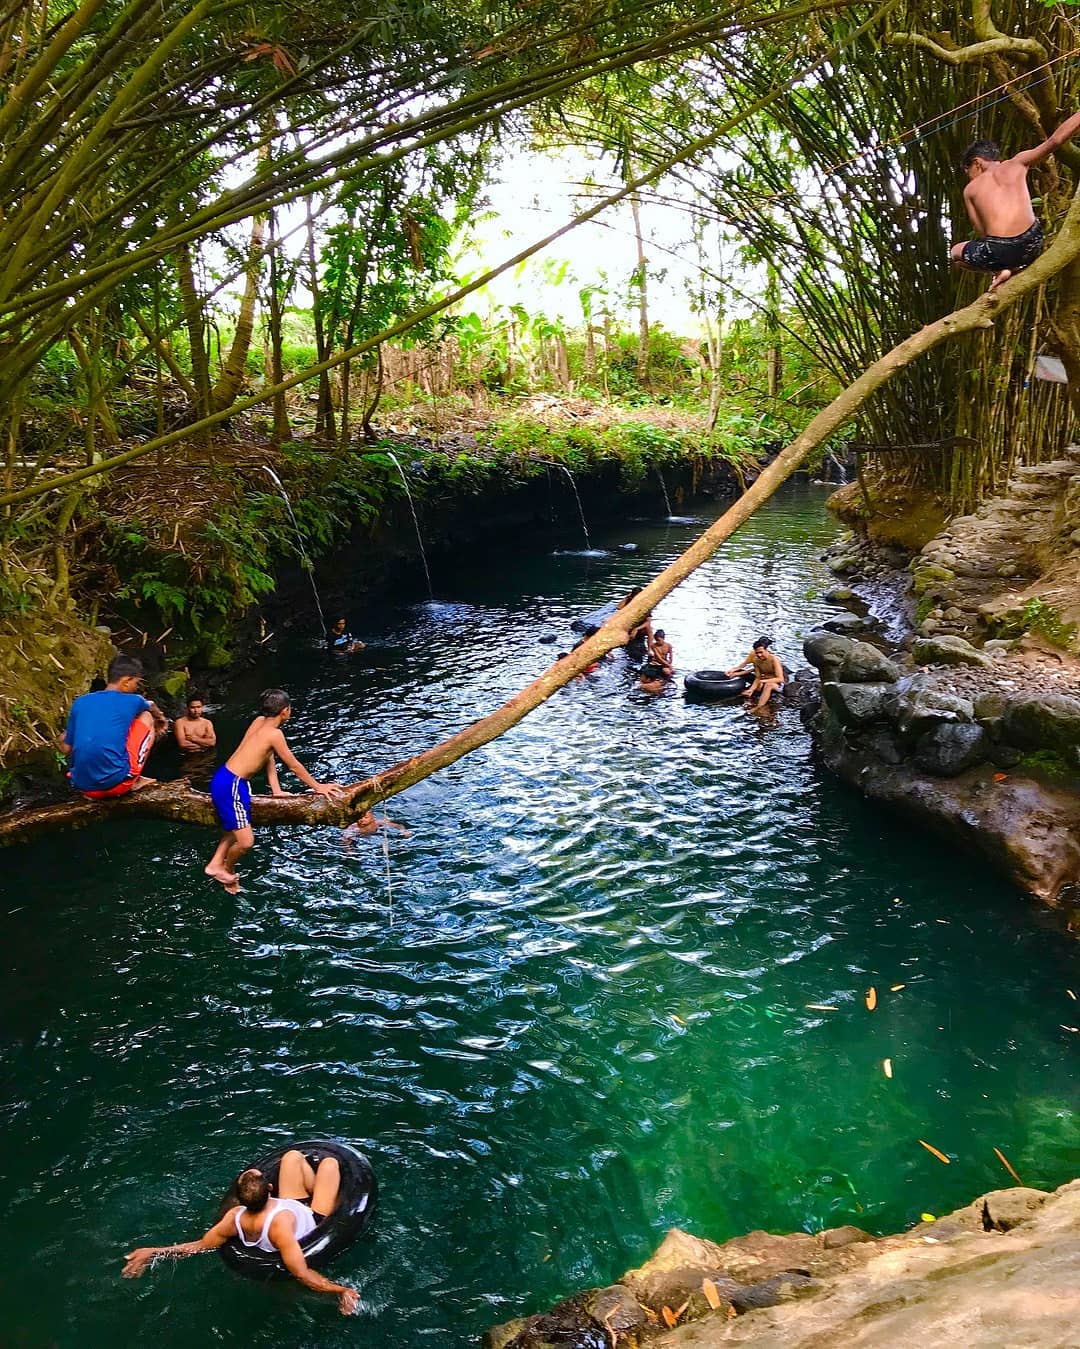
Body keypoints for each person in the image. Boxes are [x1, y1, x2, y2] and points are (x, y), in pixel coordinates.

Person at [121, 1149, 359, 1316]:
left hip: (290, 1205)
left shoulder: (234, 1218)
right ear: (270, 1188)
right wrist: (340, 1290)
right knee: (330, 1164)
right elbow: (302, 1273)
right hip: (312, 1219)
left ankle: (313, 1185)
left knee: (291, 1157)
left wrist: (154, 1251)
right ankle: (321, 1189)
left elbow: (199, 1246)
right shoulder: (280, 1226)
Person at [205, 689, 344, 893]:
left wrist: (276, 790)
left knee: (237, 827)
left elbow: (267, 757)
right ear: (285, 711)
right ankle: (226, 869)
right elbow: (294, 765)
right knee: (246, 842)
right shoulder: (275, 734)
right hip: (231, 785)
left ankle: (216, 862)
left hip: (229, 779)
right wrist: (319, 787)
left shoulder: (259, 722)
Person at [950, 111, 1080, 291]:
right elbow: (1055, 141)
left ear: (977, 163)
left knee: (955, 253)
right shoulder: (1017, 163)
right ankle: (1005, 268)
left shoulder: (970, 190)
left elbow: (982, 232)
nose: (970, 178)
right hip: (1033, 243)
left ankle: (1000, 270)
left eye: (968, 172)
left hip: (1001, 253)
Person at [62, 654, 167, 798]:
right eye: (136, 683)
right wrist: (161, 718)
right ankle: (135, 779)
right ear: (126, 681)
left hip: (84, 788)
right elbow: (150, 705)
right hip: (118, 785)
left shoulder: (80, 702)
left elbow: (65, 748)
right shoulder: (132, 700)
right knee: (146, 716)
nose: (136, 687)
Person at [726, 636, 785, 708]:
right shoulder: (756, 660)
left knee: (768, 685)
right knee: (748, 693)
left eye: (761, 652)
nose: (759, 655)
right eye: (757, 653)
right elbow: (758, 677)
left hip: (777, 684)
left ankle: (759, 707)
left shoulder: (774, 659)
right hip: (763, 681)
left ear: (766, 650)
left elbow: (780, 679)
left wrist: (763, 681)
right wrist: (751, 689)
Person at [343, 810, 411, 846]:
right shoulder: (353, 827)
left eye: (366, 817)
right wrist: (348, 848)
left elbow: (398, 826)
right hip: (360, 837)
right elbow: (346, 837)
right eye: (359, 818)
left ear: (372, 817)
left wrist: (404, 831)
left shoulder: (378, 823)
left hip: (377, 834)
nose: (362, 820)